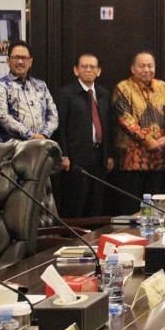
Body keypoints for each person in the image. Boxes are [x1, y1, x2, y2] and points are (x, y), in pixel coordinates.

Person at [111, 50, 165, 212]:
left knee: (156, 208)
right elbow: (125, 120)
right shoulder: (123, 88)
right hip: (132, 160)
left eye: (150, 66)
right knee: (131, 207)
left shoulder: (164, 88)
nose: (147, 70)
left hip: (159, 158)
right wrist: (148, 140)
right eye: (142, 66)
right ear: (133, 69)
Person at [55, 53, 114, 218]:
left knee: (96, 205)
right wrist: (63, 155)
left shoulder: (103, 94)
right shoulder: (66, 94)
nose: (89, 70)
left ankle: (93, 235)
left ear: (99, 71)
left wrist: (109, 155)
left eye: (92, 67)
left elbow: (108, 126)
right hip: (76, 159)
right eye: (84, 66)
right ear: (76, 70)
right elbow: (60, 127)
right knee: (76, 205)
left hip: (99, 157)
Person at [0, 40, 59, 141]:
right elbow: (3, 117)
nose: (20, 62)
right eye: (16, 57)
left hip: (42, 143)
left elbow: (53, 114)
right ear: (8, 61)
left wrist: (45, 134)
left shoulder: (41, 85)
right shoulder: (0, 86)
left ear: (30, 62)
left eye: (24, 58)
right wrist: (31, 136)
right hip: (15, 146)